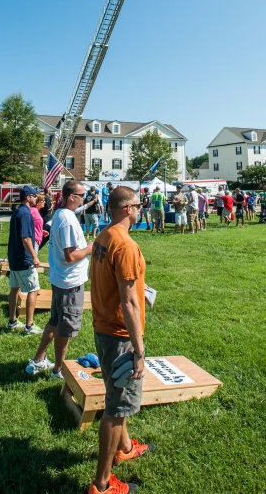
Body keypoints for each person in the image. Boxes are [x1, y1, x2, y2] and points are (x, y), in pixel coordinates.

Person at [88, 186, 154, 494]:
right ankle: (102, 484)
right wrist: (139, 349)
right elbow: (128, 303)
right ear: (127, 209)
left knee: (119, 395)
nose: (141, 209)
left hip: (103, 328)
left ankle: (125, 447)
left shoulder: (104, 236)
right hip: (120, 335)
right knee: (116, 407)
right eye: (139, 205)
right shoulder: (125, 245)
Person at [25, 180, 93, 380]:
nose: (84, 199)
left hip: (60, 278)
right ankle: (57, 370)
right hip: (69, 282)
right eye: (82, 196)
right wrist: (90, 247)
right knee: (65, 328)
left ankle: (38, 360)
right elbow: (70, 255)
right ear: (72, 197)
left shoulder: (61, 214)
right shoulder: (67, 220)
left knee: (54, 321)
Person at [7, 186, 42, 335]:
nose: (36, 198)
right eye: (34, 195)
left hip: (14, 258)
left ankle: (12, 321)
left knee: (14, 289)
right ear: (28, 197)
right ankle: (29, 325)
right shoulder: (26, 213)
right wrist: (34, 257)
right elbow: (26, 238)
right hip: (24, 259)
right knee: (33, 290)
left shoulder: (17, 212)